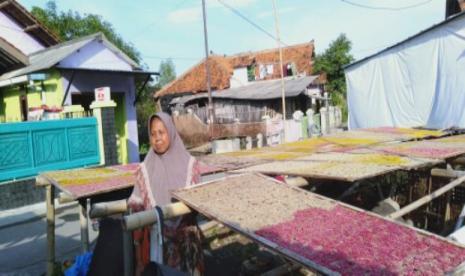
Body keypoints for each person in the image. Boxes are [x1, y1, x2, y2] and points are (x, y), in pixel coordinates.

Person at [128, 112, 204, 276]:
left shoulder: (191, 165)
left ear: (171, 132)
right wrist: (139, 257)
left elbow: (200, 203)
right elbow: (136, 210)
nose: (157, 138)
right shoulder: (145, 170)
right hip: (157, 248)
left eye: (161, 132)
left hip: (187, 249)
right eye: (153, 134)